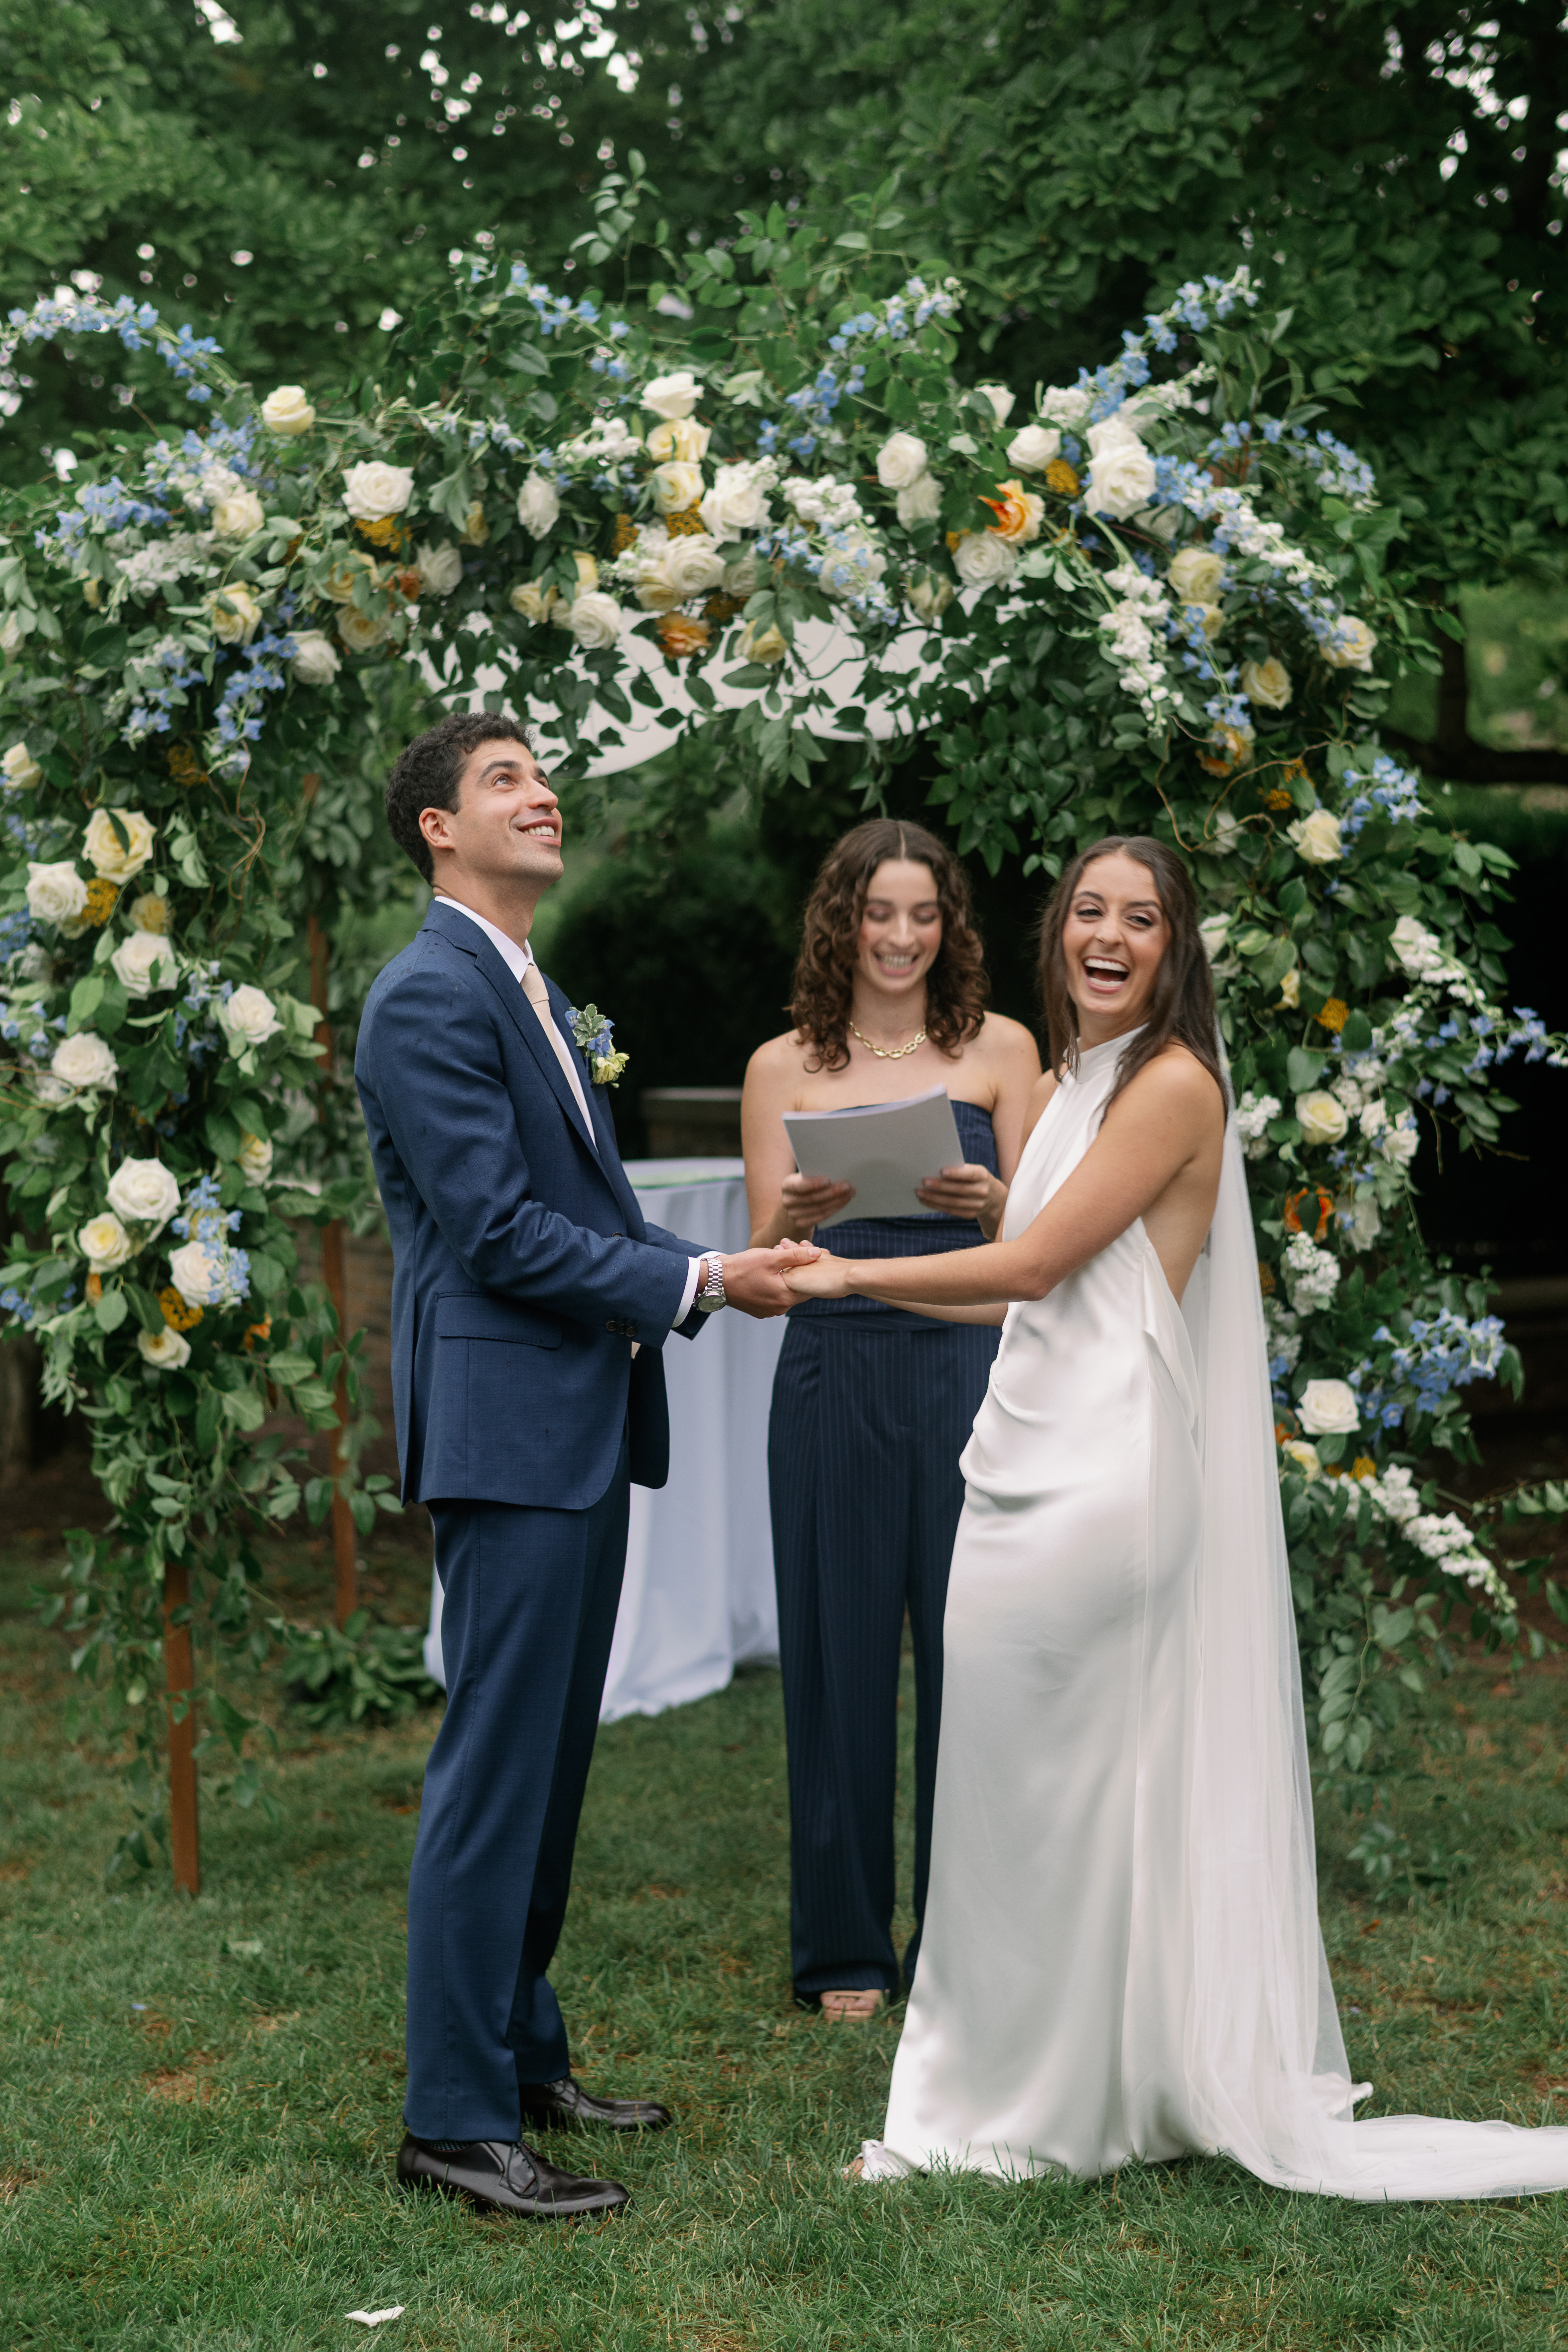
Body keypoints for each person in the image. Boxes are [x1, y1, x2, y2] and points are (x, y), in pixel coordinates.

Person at [787, 835, 1568, 2200]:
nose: (1104, 935)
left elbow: (1034, 1258)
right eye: (1085, 910)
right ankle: (1079, 2068)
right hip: (1025, 1457)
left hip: (1102, 1477)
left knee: (1061, 1778)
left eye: (1136, 918)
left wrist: (843, 1282)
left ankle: (1034, 2101)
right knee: (1022, 1780)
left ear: (1174, 945)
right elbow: (1020, 1292)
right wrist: (872, 1265)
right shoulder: (1078, 1078)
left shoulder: (1171, 1084)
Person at [355, 712, 818, 2220]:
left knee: (550, 1768)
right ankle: (453, 2120)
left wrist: (708, 1259)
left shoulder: (529, 985)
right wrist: (696, 1286)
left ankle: (521, 2049)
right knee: (496, 1773)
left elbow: (572, 1197)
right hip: (509, 1431)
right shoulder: (428, 994)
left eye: (543, 773)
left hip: (574, 1421)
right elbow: (492, 1230)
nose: (543, 790)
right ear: (436, 827)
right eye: (505, 778)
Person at [742, 819, 1040, 2021]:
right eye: (880, 914)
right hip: (830, 1372)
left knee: (975, 1662)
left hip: (968, 1374)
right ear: (842, 923)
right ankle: (844, 1951)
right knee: (834, 1660)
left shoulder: (1004, 1052)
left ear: (948, 926)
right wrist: (794, 1210)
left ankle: (966, 1943)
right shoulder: (783, 1066)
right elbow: (761, 1266)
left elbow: (1044, 1246)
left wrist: (992, 1198)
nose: (902, 937)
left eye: (923, 915)